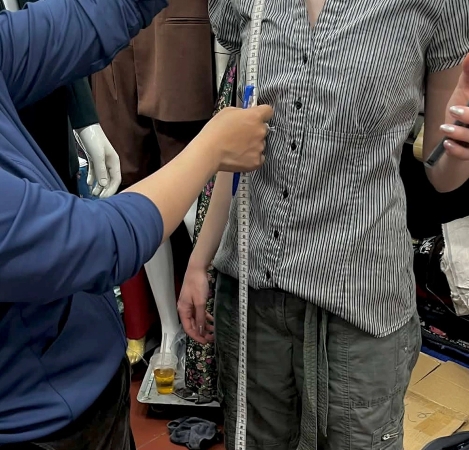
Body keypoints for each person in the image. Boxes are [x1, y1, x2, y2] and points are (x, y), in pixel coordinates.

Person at [178, 0, 469, 449]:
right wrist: (200, 260)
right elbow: (236, 144)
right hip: (254, 296)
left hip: (359, 300)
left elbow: (441, 172)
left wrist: (467, 146)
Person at [0, 0, 273, 448]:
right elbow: (94, 243)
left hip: (76, 377)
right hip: (40, 419)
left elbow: (74, 23)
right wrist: (210, 151)